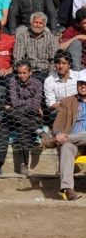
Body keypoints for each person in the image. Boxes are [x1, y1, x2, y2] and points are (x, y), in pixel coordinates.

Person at [42, 69, 86, 201]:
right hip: (76, 143)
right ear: (77, 84)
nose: (83, 86)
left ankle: (55, 140)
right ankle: (68, 189)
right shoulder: (68, 101)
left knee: (66, 141)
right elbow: (59, 122)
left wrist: (63, 138)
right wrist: (59, 133)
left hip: (76, 138)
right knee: (66, 146)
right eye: (81, 83)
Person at [8, 60, 44, 176]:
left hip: (32, 116)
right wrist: (29, 103)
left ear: (30, 72)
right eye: (19, 73)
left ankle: (23, 164)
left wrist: (25, 105)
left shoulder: (37, 83)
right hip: (18, 115)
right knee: (11, 111)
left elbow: (35, 106)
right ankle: (38, 130)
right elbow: (15, 102)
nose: (21, 76)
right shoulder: (13, 81)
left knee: (23, 128)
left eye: (24, 73)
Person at [13, 12, 59, 82]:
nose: (38, 25)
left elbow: (54, 60)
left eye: (40, 23)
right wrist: (24, 74)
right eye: (35, 22)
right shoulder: (22, 37)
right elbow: (18, 58)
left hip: (45, 72)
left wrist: (50, 77)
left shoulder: (51, 38)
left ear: (44, 25)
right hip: (27, 73)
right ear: (31, 23)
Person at [43, 50, 78, 125]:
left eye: (64, 63)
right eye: (58, 63)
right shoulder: (49, 81)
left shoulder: (78, 77)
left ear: (69, 64)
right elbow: (51, 105)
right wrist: (67, 107)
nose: (61, 66)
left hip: (78, 109)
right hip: (58, 112)